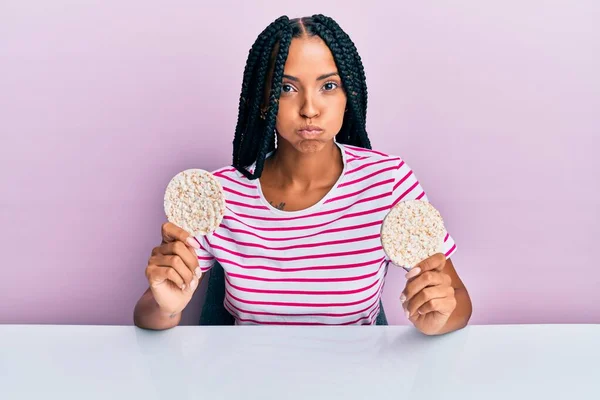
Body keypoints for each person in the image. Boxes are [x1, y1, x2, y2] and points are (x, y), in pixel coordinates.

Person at [133, 14, 472, 334]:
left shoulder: (387, 182)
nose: (310, 109)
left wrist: (437, 319)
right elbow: (147, 315)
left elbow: (457, 300)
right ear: (265, 99)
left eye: (328, 86)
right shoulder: (220, 195)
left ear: (348, 95)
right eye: (287, 88)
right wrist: (166, 307)